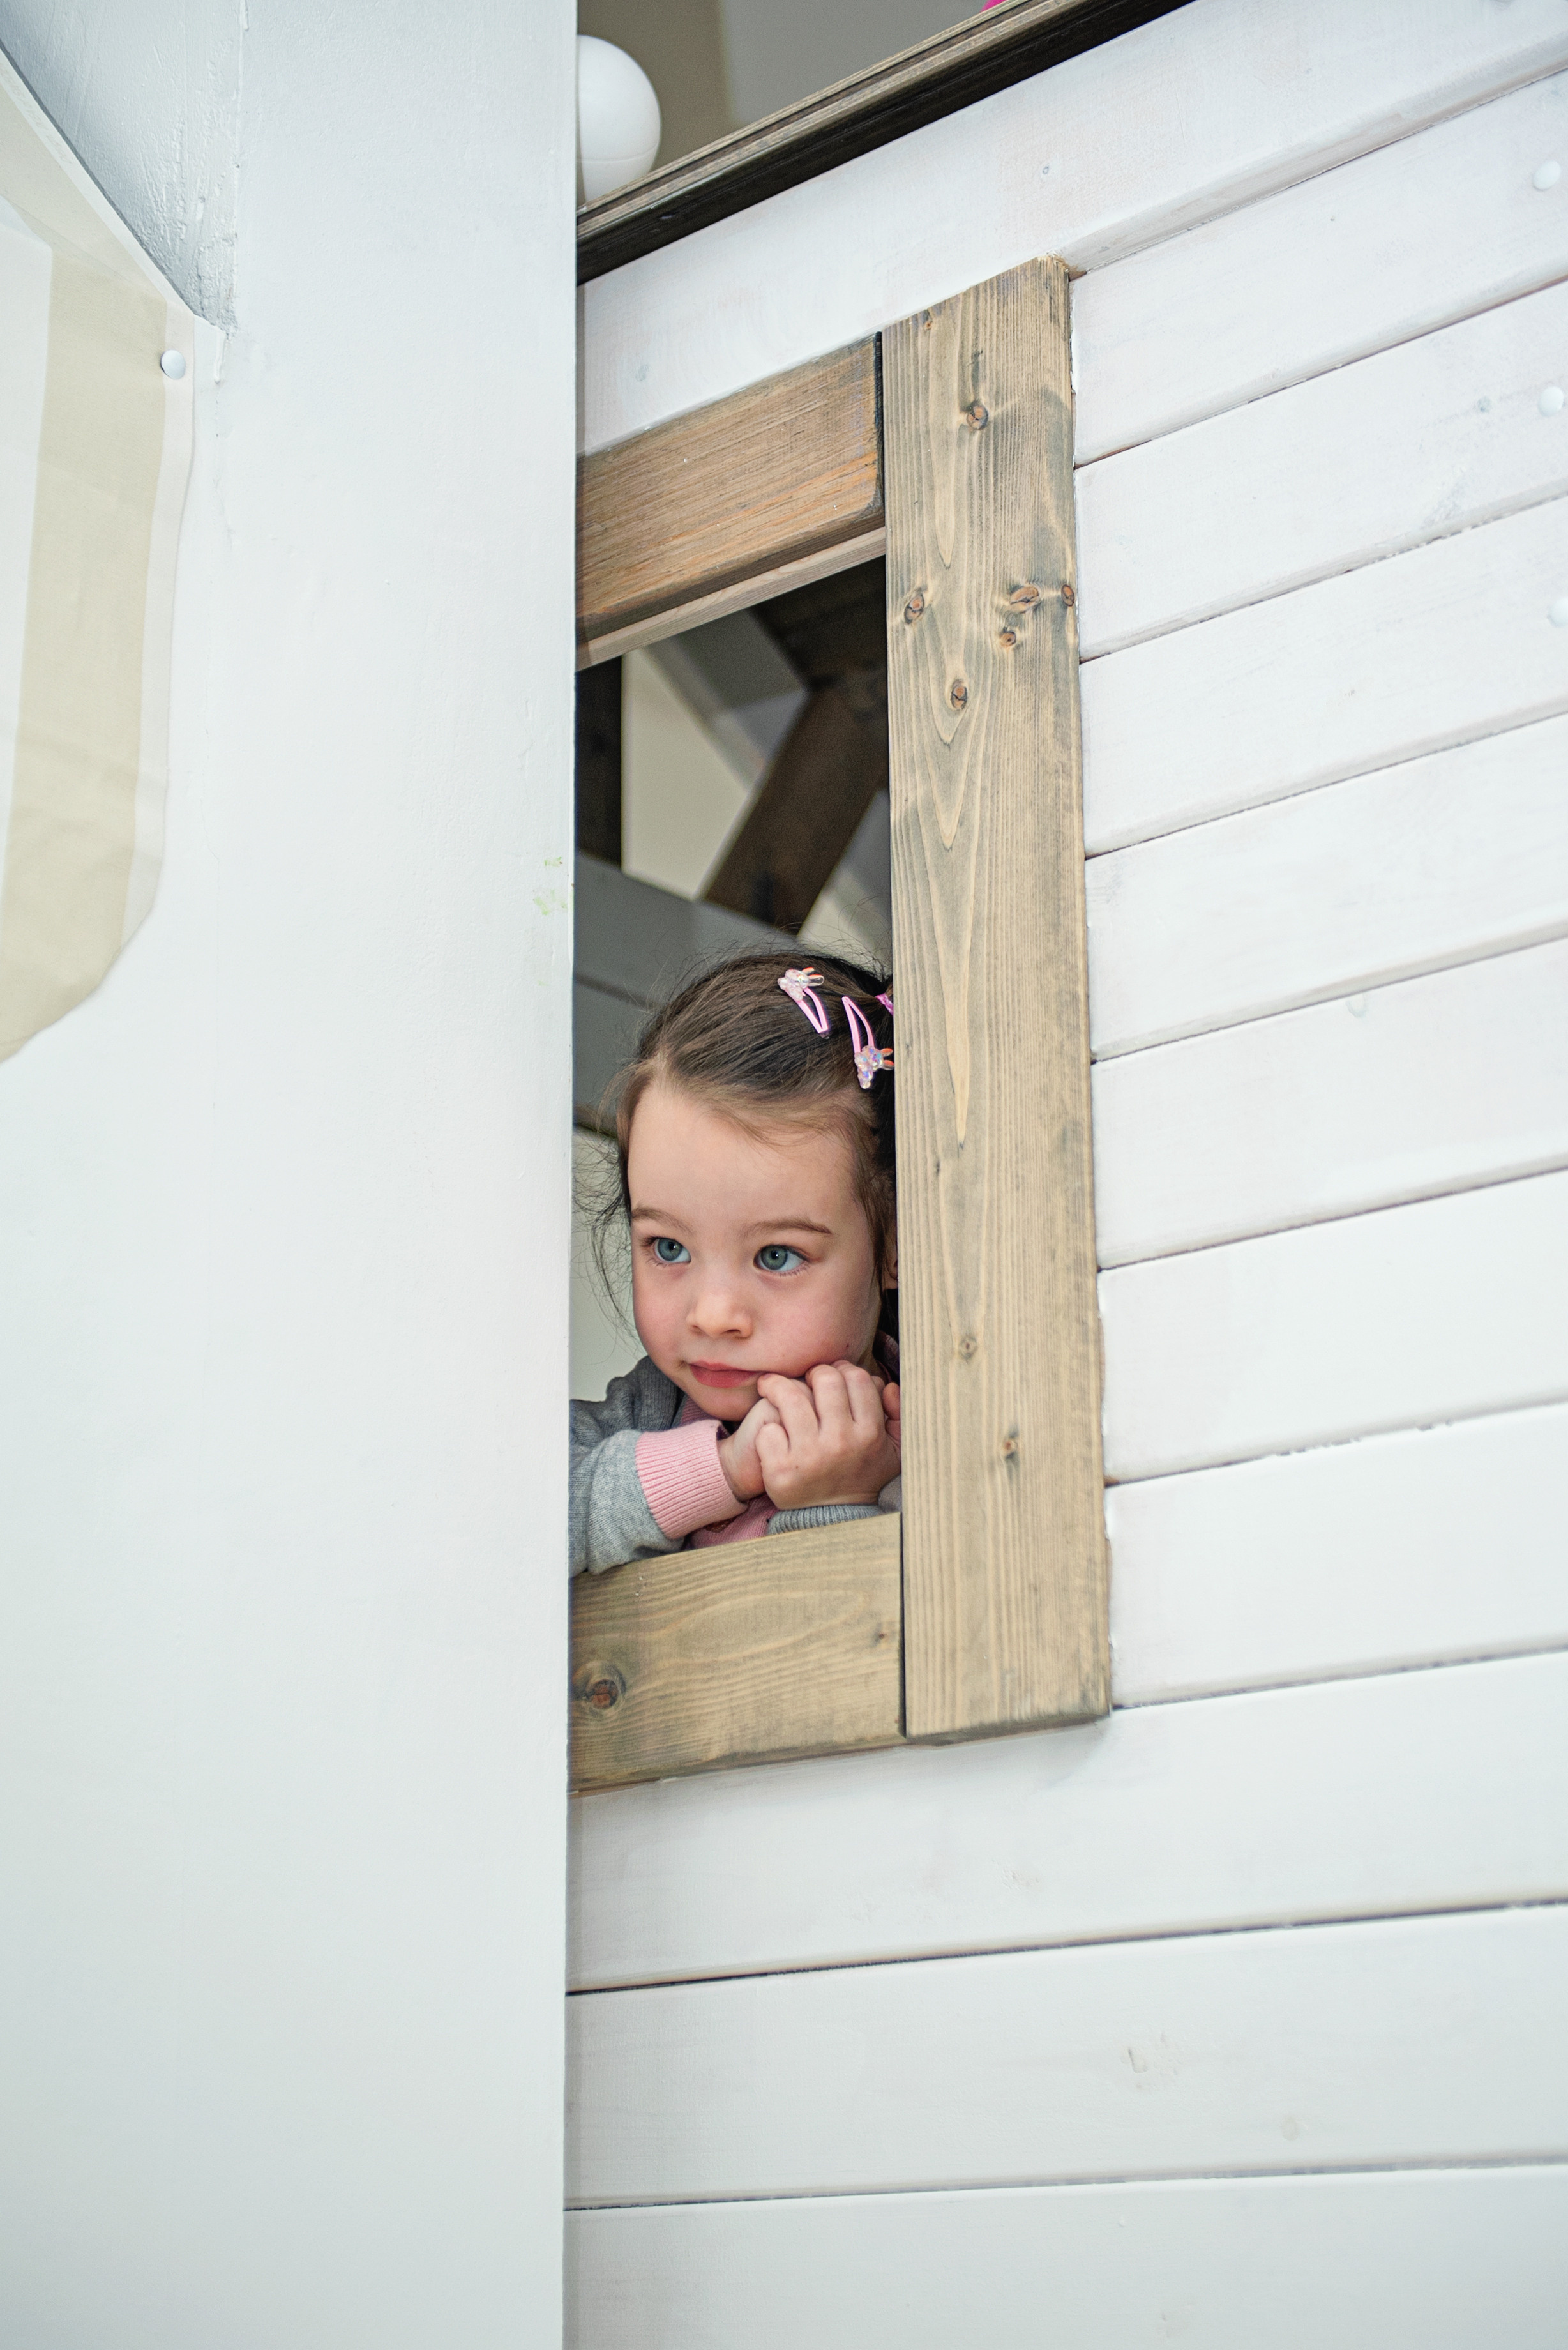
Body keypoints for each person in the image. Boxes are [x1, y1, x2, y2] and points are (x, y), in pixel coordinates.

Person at [571, 951, 900, 1576]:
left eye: (776, 1256)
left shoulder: (925, 1435)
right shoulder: (649, 1411)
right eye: (669, 1247)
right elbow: (504, 1510)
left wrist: (834, 1504)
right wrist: (722, 1469)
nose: (713, 1314)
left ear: (893, 1247)